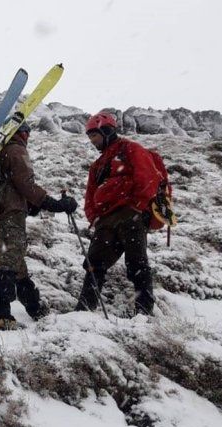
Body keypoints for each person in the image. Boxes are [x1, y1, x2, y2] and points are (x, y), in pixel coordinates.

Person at [0, 123, 78, 330]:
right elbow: (25, 184)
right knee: (10, 262)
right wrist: (53, 204)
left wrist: (32, 205)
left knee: (16, 263)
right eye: (26, 131)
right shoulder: (15, 149)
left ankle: (35, 308)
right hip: (9, 215)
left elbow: (10, 187)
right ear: (20, 133)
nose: (28, 136)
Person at [76, 112, 161, 316]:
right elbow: (90, 196)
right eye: (90, 137)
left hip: (131, 214)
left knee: (136, 262)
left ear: (107, 131)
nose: (92, 141)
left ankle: (144, 312)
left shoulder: (131, 149)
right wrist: (95, 218)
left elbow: (148, 178)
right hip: (106, 220)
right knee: (93, 263)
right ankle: (84, 310)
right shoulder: (97, 165)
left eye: (94, 135)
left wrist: (137, 207)